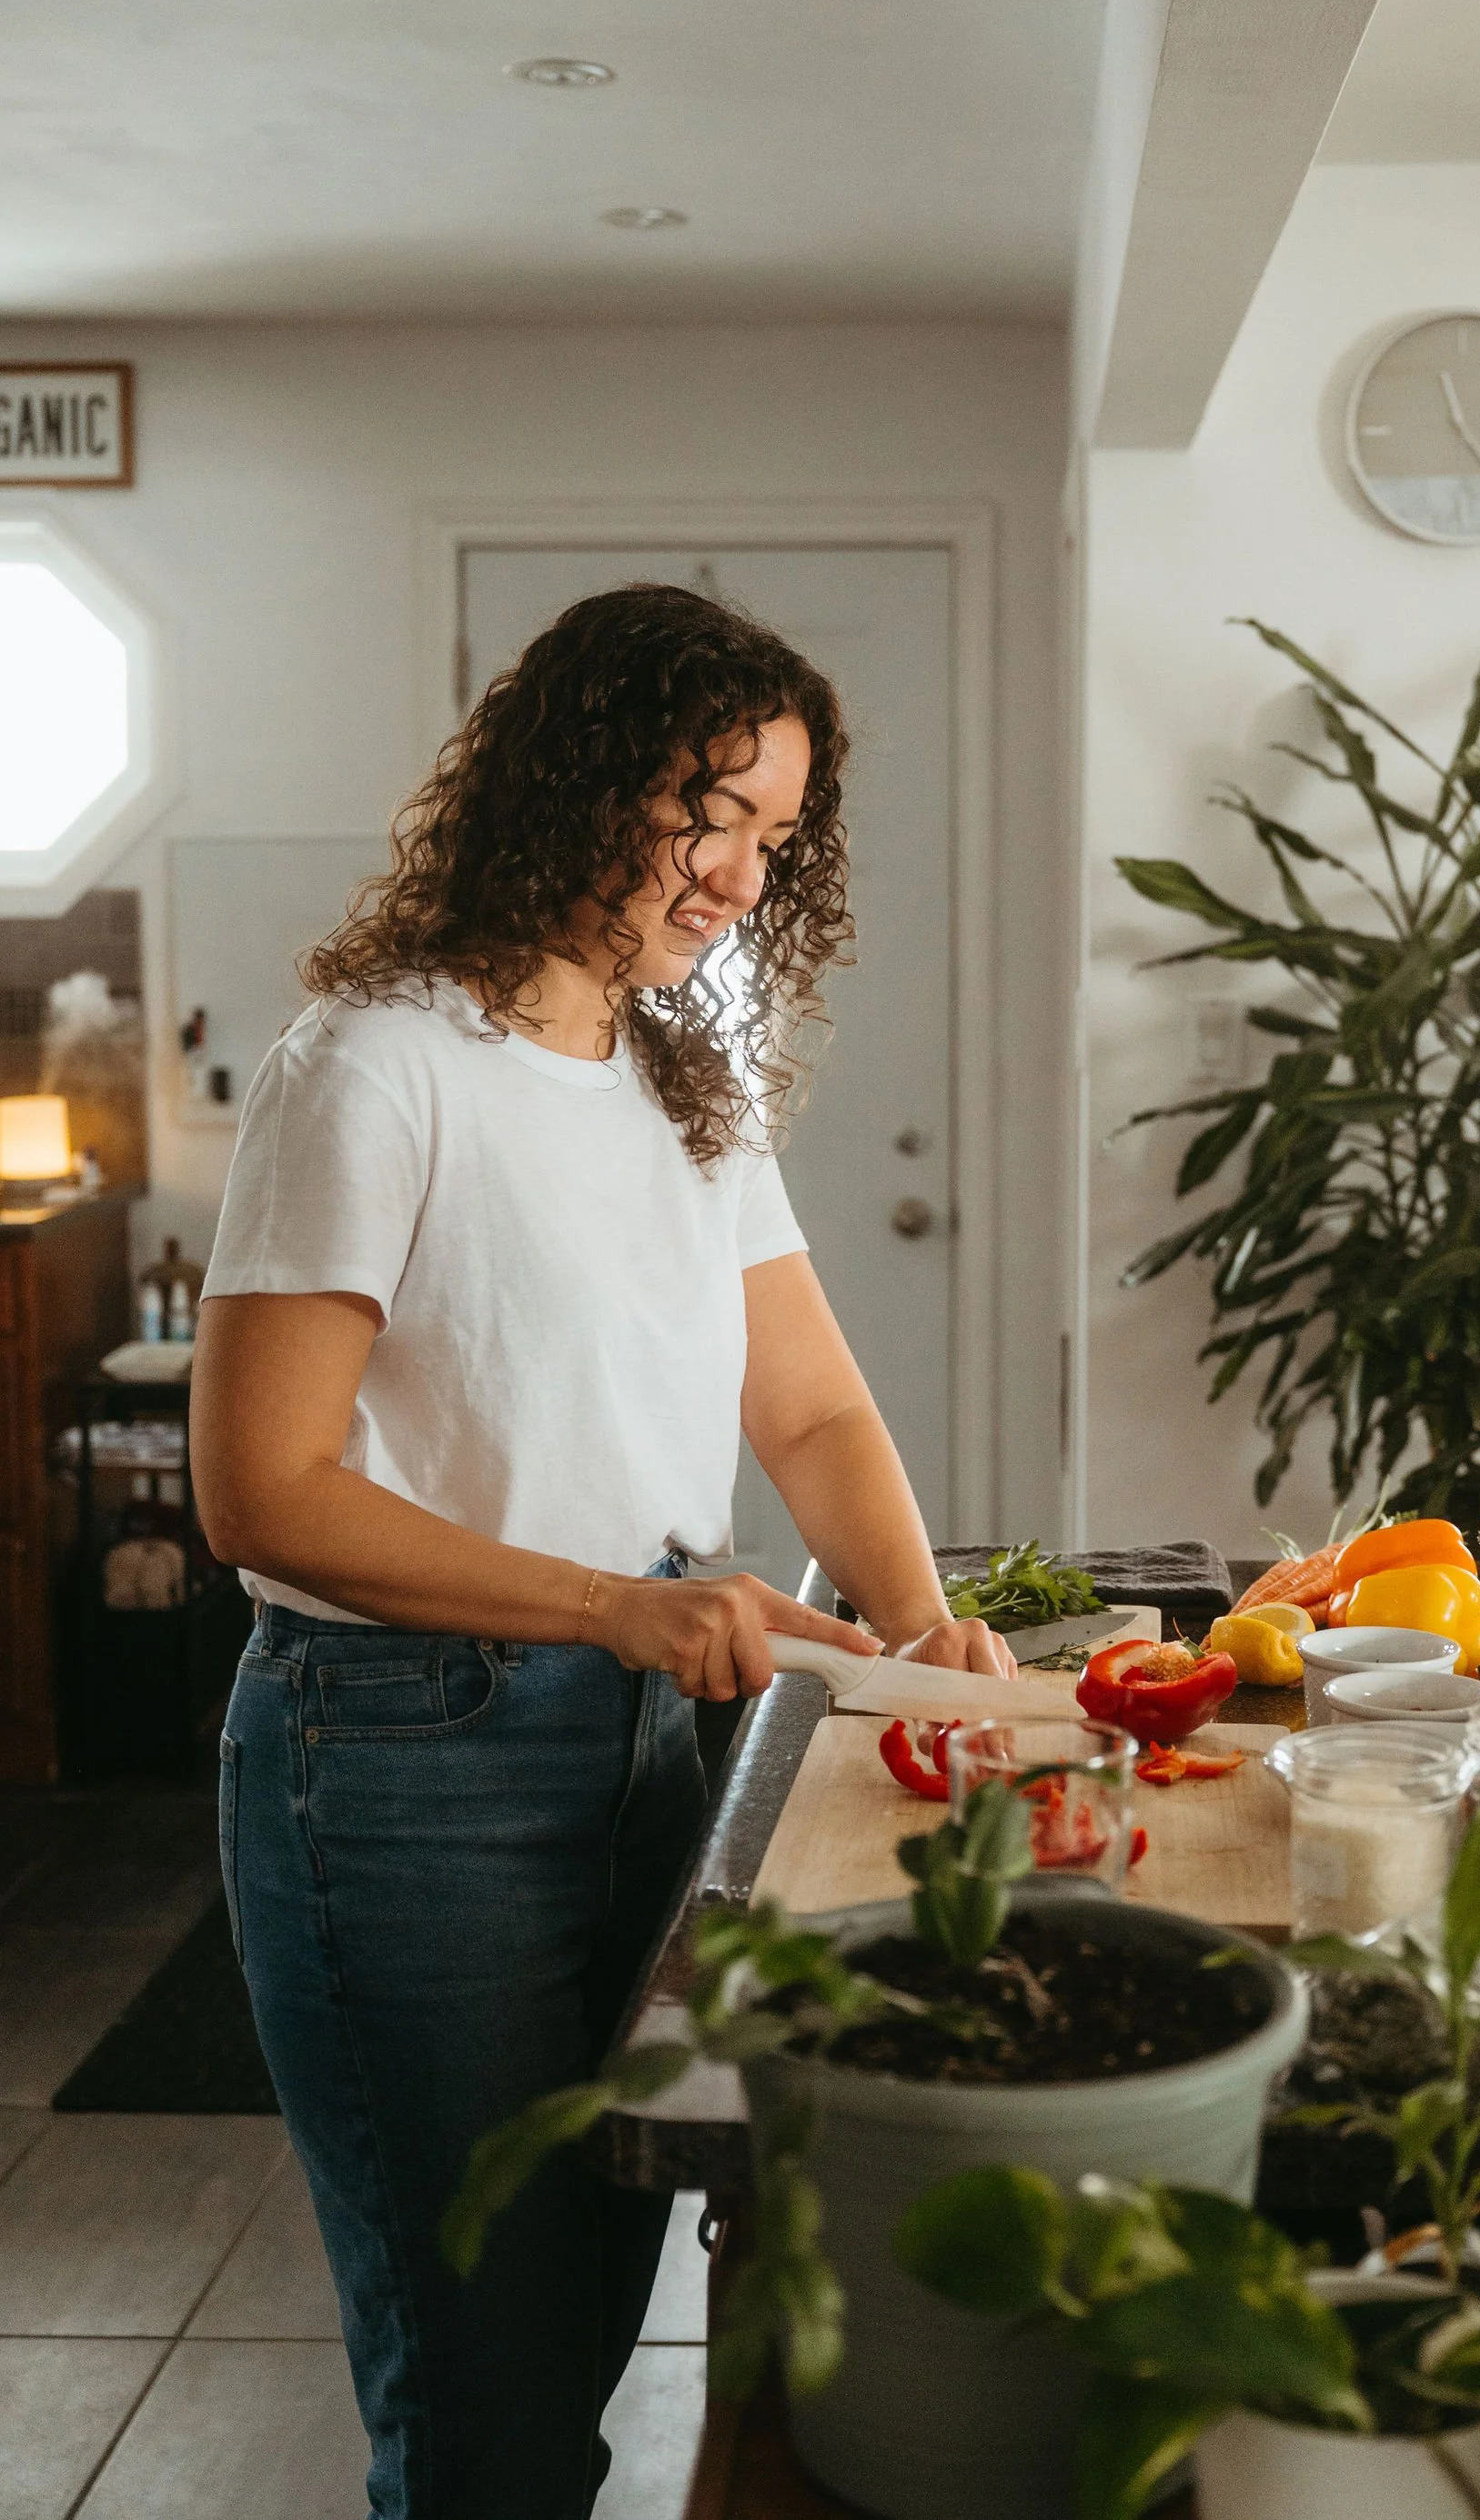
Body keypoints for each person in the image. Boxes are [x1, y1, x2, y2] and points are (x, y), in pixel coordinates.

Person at [189, 584, 1013, 2520]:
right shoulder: (370, 1062)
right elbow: (263, 1493)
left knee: (585, 2323)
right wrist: (623, 1607)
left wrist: (921, 1626)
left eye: (774, 841)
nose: (736, 875)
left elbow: (806, 1412)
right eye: (704, 812)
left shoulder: (673, 1082)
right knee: (486, 2411)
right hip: (401, 1765)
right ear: (572, 777)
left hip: (652, 1753)